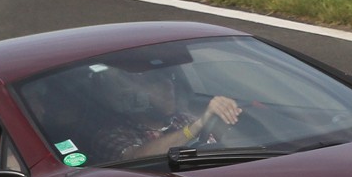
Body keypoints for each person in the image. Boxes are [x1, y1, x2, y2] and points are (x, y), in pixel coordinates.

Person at [95, 66, 243, 162]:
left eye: (168, 80)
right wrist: (196, 126)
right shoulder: (112, 135)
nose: (168, 86)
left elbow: (216, 150)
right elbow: (136, 158)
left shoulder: (184, 119)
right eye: (155, 82)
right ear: (135, 97)